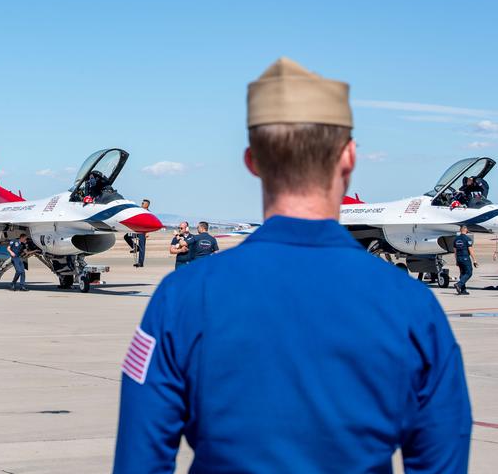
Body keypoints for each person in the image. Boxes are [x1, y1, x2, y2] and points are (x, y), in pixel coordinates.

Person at [114, 57, 471, 473]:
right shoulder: (412, 304)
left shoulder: (183, 297)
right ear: (349, 157)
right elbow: (443, 455)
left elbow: (139, 459)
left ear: (252, 160)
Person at [123, 199, 151, 267]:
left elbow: (149, 224)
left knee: (142, 247)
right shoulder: (139, 211)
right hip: (136, 231)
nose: (141, 204)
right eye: (141, 203)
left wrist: (147, 232)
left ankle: (140, 263)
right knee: (126, 236)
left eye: (143, 203)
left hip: (142, 232)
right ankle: (136, 248)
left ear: (147, 205)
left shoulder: (148, 213)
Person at [453, 225, 477, 295]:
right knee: (469, 273)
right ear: (466, 230)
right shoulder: (468, 239)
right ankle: (459, 284)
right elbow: (471, 250)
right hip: (465, 258)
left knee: (462, 274)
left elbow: (455, 251)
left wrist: (457, 260)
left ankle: (463, 290)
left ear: (460, 230)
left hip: (459, 258)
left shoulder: (456, 239)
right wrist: (474, 260)